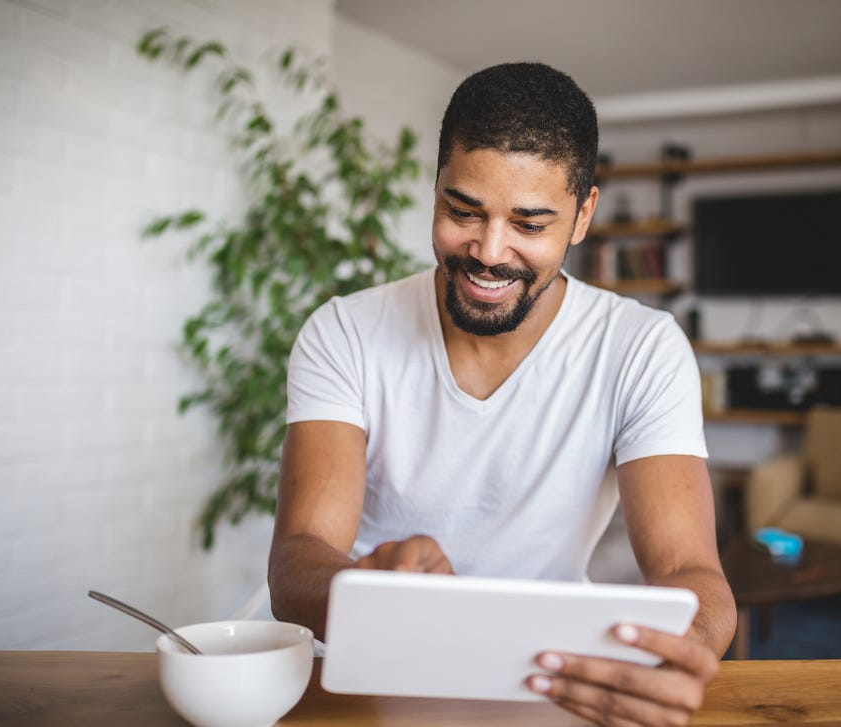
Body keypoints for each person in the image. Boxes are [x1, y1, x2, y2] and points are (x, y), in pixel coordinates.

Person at [269, 61, 736, 726]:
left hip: (555, 684)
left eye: (530, 223)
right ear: (434, 190)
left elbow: (693, 570)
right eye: (463, 211)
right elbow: (296, 561)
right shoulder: (344, 331)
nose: (489, 251)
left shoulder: (642, 349)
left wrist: (677, 651)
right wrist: (367, 587)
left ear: (583, 216)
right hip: (371, 677)